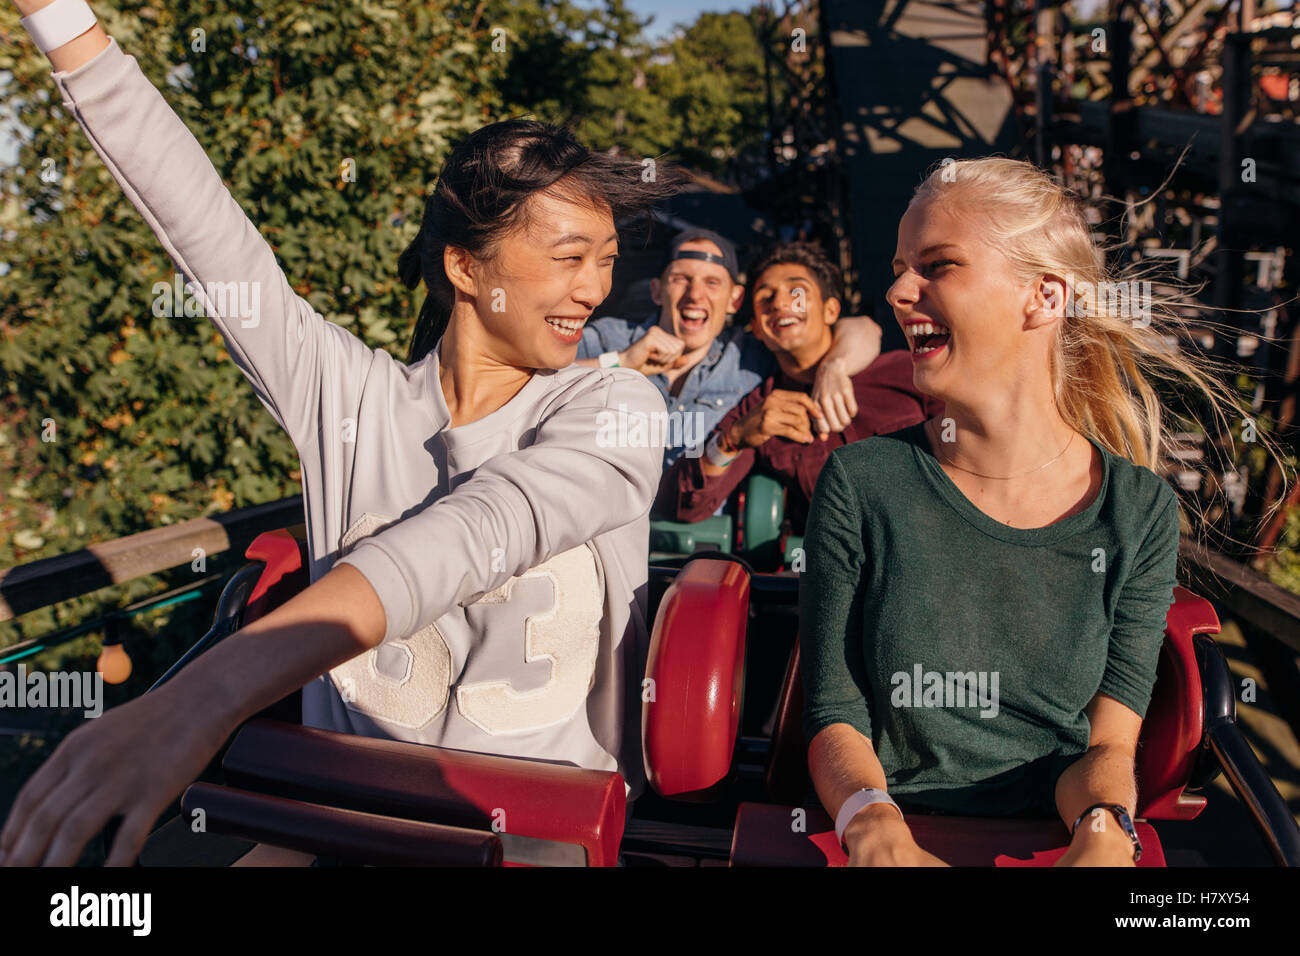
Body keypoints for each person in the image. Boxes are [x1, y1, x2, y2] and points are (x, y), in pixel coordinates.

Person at [1, 4, 677, 867]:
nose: (596, 288)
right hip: (342, 824)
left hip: (533, 841)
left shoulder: (614, 410)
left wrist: (202, 695)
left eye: (607, 258)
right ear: (465, 267)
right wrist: (57, 17)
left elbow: (486, 527)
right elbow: (206, 235)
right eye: (569, 255)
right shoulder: (346, 400)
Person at [800, 157, 1279, 867]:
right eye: (902, 266)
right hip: (882, 831)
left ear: (1044, 296)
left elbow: (1107, 745)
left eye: (938, 265)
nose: (899, 290)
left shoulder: (1137, 509)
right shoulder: (862, 481)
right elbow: (833, 712)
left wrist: (1104, 826)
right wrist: (874, 826)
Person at [658, 241, 943, 533]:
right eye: (765, 296)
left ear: (831, 311)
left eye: (796, 291)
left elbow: (977, 448)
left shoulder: (905, 371)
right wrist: (732, 440)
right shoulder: (759, 406)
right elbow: (683, 507)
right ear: (757, 328)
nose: (780, 303)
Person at [574, 229, 885, 467]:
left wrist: (835, 366)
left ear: (735, 300)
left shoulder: (749, 357)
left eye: (712, 283)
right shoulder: (609, 339)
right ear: (657, 291)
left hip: (698, 538)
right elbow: (532, 377)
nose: (695, 296)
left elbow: (866, 329)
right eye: (682, 279)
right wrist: (621, 364)